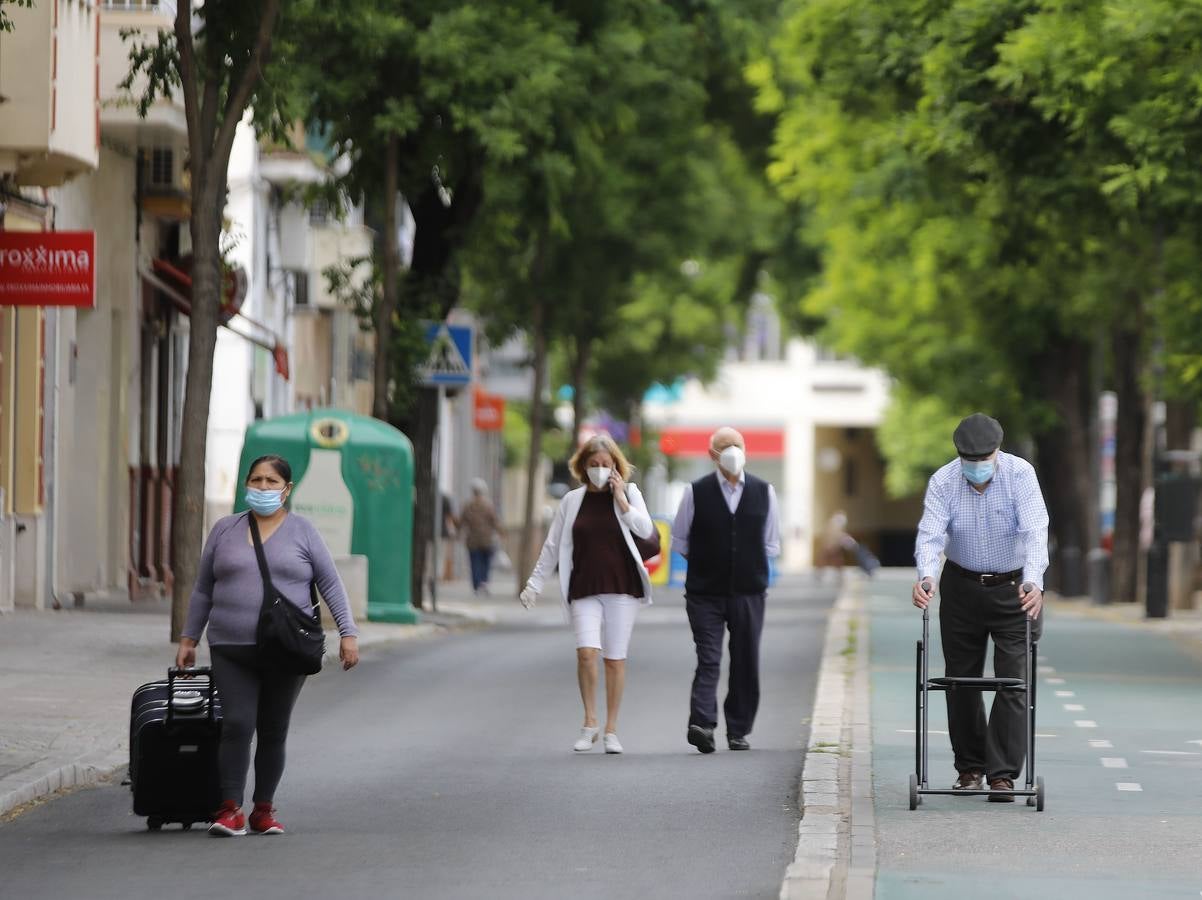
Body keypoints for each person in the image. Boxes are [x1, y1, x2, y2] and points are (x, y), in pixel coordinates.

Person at [176, 454, 360, 837]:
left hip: (286, 648)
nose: (262, 488)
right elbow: (203, 588)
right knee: (238, 724)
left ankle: (263, 810)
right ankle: (230, 809)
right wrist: (189, 638)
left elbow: (330, 583)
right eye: (256, 480)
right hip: (230, 645)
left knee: (273, 729)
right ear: (246, 484)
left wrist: (348, 633)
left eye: (271, 482)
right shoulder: (224, 530)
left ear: (286, 489)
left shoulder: (303, 532)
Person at [912, 413, 1049, 802]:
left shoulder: (1020, 475)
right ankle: (970, 768)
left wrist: (1034, 581)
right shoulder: (944, 481)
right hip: (961, 587)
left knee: (1013, 681)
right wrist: (927, 577)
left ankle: (1002, 775)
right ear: (959, 457)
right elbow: (931, 534)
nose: (976, 467)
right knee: (960, 680)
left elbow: (1036, 531)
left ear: (997, 451)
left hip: (1014, 588)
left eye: (983, 458)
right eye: (968, 460)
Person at [519, 434, 655, 755]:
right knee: (586, 653)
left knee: (614, 659)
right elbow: (553, 546)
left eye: (605, 465)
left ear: (615, 467)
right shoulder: (572, 501)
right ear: (582, 466)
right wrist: (534, 584)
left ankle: (612, 730)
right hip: (584, 587)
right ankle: (590, 722)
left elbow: (646, 531)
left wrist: (621, 500)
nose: (599, 469)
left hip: (622, 587)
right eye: (593, 465)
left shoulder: (630, 493)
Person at [672, 426, 781, 753]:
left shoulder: (765, 491)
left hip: (749, 591)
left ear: (745, 450)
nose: (732, 450)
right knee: (709, 658)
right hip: (705, 593)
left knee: (746, 659)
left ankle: (739, 729)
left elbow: (771, 544)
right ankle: (702, 724)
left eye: (737, 445)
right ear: (712, 455)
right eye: (724, 446)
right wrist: (710, 562)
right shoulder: (695, 492)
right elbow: (681, 541)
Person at [460, 478, 501, 594]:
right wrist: (500, 532)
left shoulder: (468, 506)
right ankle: (484, 582)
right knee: (485, 562)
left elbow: (462, 521)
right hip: (486, 540)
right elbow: (495, 521)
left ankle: (476, 585)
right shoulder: (488, 506)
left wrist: (458, 531)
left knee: (474, 563)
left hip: (472, 540)